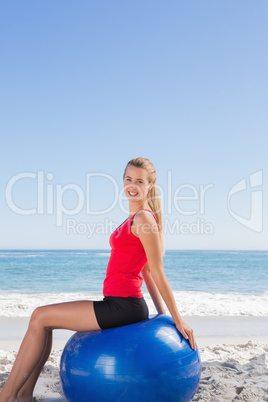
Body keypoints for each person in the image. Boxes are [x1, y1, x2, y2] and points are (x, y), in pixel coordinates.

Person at [0, 157, 195, 402]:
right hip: (117, 302)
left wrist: (175, 320)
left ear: (151, 185)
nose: (132, 185)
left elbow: (156, 271)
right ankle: (25, 395)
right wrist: (160, 313)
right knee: (42, 321)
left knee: (40, 316)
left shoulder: (144, 220)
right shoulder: (132, 219)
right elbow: (145, 272)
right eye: (128, 179)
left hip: (123, 306)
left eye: (139, 181)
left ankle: (7, 396)